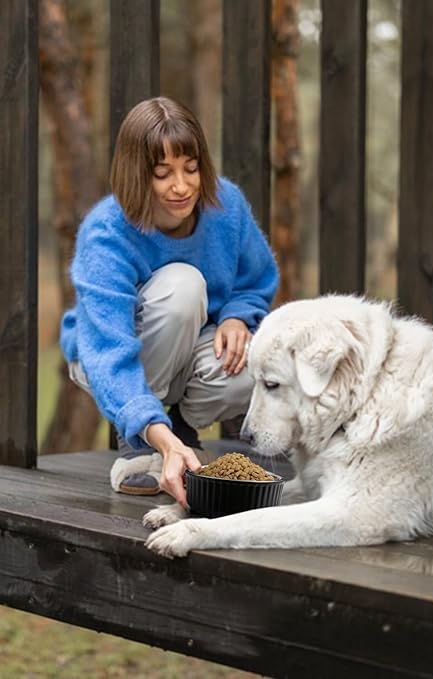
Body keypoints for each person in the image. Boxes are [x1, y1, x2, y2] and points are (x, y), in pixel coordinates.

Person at [60, 96, 279, 508]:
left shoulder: (226, 207)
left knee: (254, 366)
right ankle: (140, 437)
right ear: (137, 175)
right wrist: (153, 433)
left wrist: (237, 317)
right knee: (183, 285)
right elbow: (108, 350)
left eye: (191, 169)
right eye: (163, 174)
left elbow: (255, 281)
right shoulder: (106, 234)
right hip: (106, 356)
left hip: (189, 345)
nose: (181, 186)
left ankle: (181, 428)